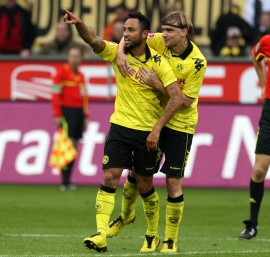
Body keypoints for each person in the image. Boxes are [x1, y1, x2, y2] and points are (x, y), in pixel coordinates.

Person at [63, 9, 183, 253]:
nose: (125, 34)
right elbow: (95, 40)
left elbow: (176, 97)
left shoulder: (159, 63)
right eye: (124, 30)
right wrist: (79, 24)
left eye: (131, 30)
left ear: (145, 34)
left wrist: (157, 128)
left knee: (144, 185)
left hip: (147, 133)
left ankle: (152, 234)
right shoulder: (119, 52)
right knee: (109, 177)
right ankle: (100, 234)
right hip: (119, 127)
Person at [107, 11, 207, 253]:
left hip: (179, 125)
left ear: (184, 32)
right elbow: (128, 36)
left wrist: (157, 85)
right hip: (153, 119)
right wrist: (120, 53)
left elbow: (182, 101)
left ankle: (170, 240)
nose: (164, 34)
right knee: (137, 173)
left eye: (170, 30)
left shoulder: (197, 62)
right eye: (163, 30)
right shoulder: (157, 40)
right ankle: (125, 215)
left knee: (173, 182)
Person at [238, 33, 270, 240]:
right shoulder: (267, 41)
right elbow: (256, 56)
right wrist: (264, 83)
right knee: (259, 170)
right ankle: (252, 225)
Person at [51, 46, 89, 191]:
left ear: (80, 58)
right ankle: (64, 181)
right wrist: (57, 114)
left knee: (74, 147)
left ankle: (68, 181)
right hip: (67, 112)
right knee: (67, 146)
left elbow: (85, 97)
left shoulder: (81, 76)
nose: (74, 59)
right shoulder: (60, 73)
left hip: (79, 113)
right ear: (68, 57)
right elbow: (55, 94)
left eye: (76, 56)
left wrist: (86, 115)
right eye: (71, 56)